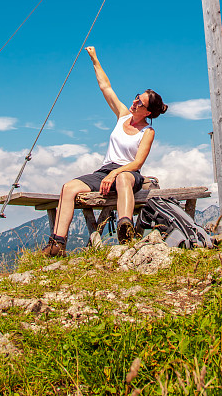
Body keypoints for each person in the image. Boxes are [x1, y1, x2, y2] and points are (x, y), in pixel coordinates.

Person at [41, 46, 168, 257]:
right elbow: (105, 87)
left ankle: (125, 229)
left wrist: (114, 174)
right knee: (68, 188)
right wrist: (94, 59)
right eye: (137, 97)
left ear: (148, 112)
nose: (135, 101)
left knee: (123, 179)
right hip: (104, 172)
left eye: (140, 102)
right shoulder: (122, 116)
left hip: (128, 173)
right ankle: (57, 244)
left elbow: (137, 164)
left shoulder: (148, 131)